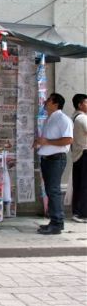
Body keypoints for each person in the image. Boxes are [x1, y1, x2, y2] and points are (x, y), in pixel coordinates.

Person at [34, 93, 73, 235]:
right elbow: (48, 139)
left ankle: (57, 223)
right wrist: (40, 142)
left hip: (56, 159)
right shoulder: (50, 118)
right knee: (51, 191)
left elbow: (68, 140)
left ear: (56, 104)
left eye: (49, 100)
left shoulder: (63, 119)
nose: (45, 102)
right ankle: (54, 221)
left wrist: (47, 142)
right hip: (47, 159)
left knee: (54, 191)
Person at [71, 94, 87, 223]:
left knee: (79, 184)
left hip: (78, 154)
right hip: (84, 153)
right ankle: (82, 213)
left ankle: (77, 212)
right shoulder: (82, 118)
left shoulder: (75, 116)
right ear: (80, 105)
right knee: (83, 185)